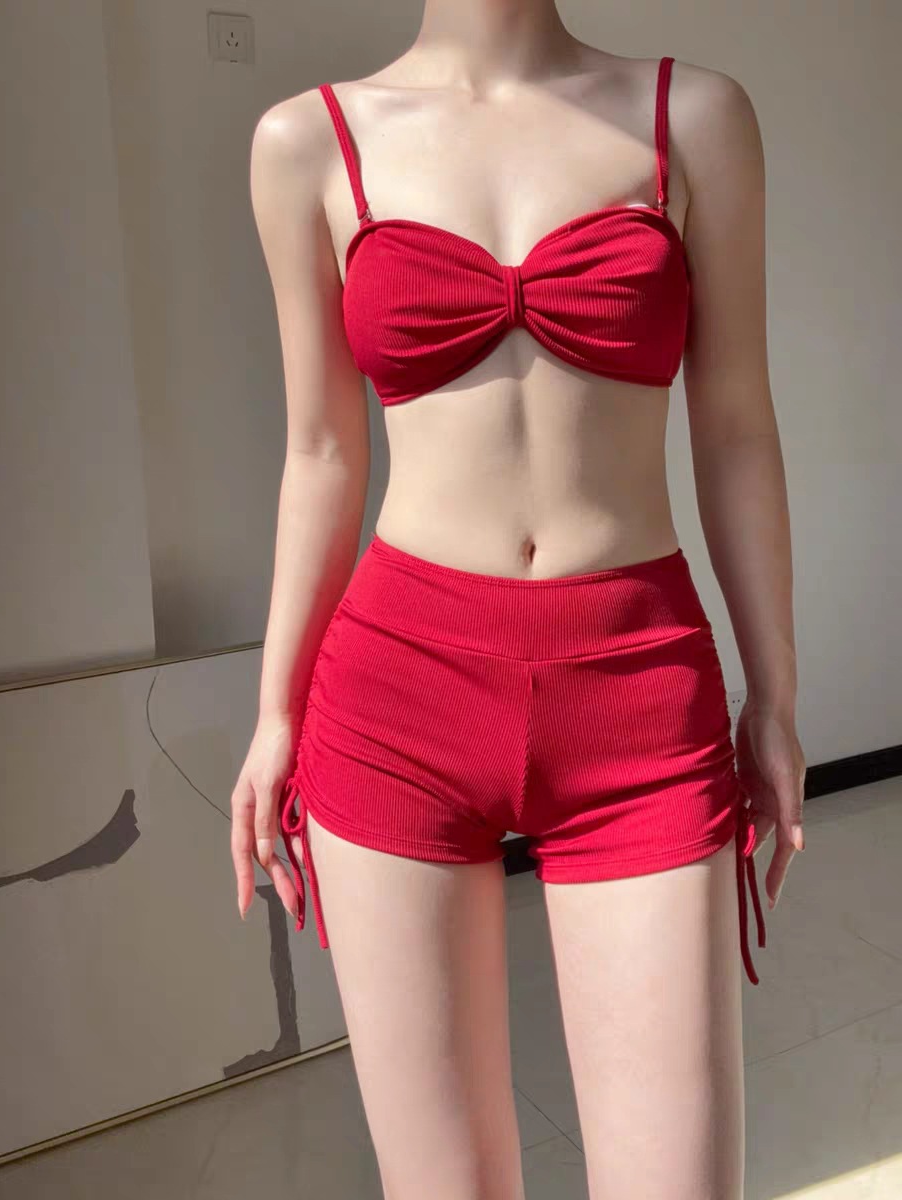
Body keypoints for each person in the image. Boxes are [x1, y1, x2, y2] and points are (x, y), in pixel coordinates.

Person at [232, 5, 805, 1197]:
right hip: (395, 698)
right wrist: (276, 713)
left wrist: (776, 695)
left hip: (637, 690)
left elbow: (737, 428)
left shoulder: (694, 119)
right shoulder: (309, 144)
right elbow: (321, 454)